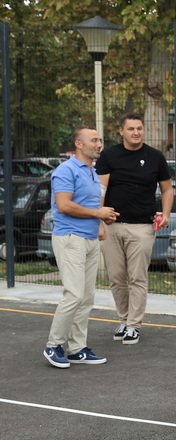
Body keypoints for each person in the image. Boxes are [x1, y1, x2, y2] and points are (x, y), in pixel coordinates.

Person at [43, 127, 119, 368]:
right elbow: (64, 205)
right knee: (74, 294)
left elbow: (90, 204)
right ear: (78, 144)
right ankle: (53, 345)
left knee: (86, 297)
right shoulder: (65, 170)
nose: (99, 144)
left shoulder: (92, 171)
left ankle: (77, 349)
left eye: (100, 140)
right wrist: (98, 214)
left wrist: (101, 222)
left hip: (89, 238)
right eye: (94, 140)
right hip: (70, 238)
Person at [96, 113, 174, 345]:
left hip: (142, 227)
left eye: (139, 128)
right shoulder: (109, 155)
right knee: (116, 278)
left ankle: (133, 325)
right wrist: (99, 220)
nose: (136, 132)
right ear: (121, 131)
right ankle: (124, 319)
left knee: (138, 277)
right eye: (131, 129)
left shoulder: (155, 157)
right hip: (112, 226)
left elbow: (167, 189)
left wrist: (166, 214)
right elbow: (100, 190)